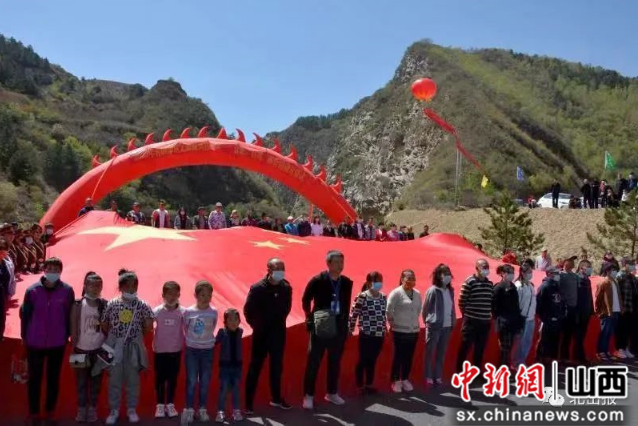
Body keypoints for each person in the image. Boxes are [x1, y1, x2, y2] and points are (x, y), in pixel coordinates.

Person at [20, 257, 75, 420]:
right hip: (35, 342)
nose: (52, 273)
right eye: (49, 269)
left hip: (57, 342)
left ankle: (50, 410)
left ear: (61, 272)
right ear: (44, 270)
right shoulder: (32, 290)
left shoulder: (67, 291)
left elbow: (70, 315)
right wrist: (24, 336)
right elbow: (25, 315)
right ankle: (34, 412)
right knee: (34, 378)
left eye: (56, 270)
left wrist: (68, 335)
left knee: (53, 378)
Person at [302, 251, 353, 409]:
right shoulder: (318, 280)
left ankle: (332, 392)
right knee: (314, 361)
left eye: (342, 262)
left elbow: (346, 304)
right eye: (337, 262)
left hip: (339, 323)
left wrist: (346, 325)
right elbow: (306, 299)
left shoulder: (346, 282)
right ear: (328, 263)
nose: (340, 265)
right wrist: (310, 317)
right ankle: (308, 395)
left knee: (335, 361)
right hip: (322, 320)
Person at [102, 270, 154, 425]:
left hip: (134, 348)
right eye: (127, 286)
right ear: (120, 287)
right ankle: (114, 411)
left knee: (133, 380)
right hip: (114, 348)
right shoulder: (112, 304)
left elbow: (148, 326)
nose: (131, 289)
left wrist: (136, 338)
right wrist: (115, 338)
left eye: (134, 285)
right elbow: (104, 323)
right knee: (114, 380)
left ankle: (132, 410)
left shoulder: (143, 305)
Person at [244, 258, 292, 413]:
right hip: (261, 334)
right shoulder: (258, 288)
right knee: (255, 366)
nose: (281, 272)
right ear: (269, 270)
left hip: (278, 333)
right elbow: (248, 310)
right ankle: (248, 403)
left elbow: (287, 308)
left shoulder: (286, 288)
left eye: (283, 268)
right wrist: (256, 325)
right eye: (278, 269)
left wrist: (277, 322)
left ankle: (276, 398)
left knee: (277, 366)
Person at [70, 272, 107, 423]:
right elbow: (72, 325)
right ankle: (81, 410)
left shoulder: (105, 305)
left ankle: (92, 409)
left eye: (98, 286)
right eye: (92, 285)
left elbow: (109, 327)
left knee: (96, 383)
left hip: (99, 351)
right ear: (85, 287)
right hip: (79, 350)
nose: (95, 288)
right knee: (80, 383)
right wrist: (73, 344)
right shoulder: (77, 304)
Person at [182, 280, 218, 424]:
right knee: (191, 380)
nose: (206, 298)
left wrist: (205, 342)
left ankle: (202, 409)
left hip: (207, 350)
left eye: (209, 295)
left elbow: (213, 327)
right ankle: (189, 409)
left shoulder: (213, 312)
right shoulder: (189, 312)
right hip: (192, 350)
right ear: (196, 295)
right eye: (203, 295)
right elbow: (186, 328)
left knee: (204, 381)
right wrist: (194, 341)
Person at [348, 271, 387, 394]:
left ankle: (369, 384)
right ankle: (359, 385)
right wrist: (350, 329)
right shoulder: (362, 296)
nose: (379, 283)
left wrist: (385, 328)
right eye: (376, 281)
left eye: (380, 281)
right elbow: (353, 314)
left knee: (373, 360)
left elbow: (383, 315)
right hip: (366, 334)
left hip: (379, 334)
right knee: (363, 359)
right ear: (369, 283)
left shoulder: (383, 297)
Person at [153, 281, 184, 419]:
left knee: (172, 379)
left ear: (179, 295)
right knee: (160, 379)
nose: (172, 297)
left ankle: (170, 404)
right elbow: (147, 325)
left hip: (175, 351)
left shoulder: (183, 312)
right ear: (163, 295)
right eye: (169, 294)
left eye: (175, 294)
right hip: (160, 351)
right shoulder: (157, 311)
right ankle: (160, 406)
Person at [456, 259, 493, 375]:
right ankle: (460, 372)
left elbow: (490, 301)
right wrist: (467, 315)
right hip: (471, 321)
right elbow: (462, 301)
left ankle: (477, 372)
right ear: (477, 268)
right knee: (465, 346)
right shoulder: (469, 282)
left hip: (485, 322)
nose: (486, 269)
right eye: (483, 267)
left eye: (487, 267)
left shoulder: (489, 284)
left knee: (480, 348)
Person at [387, 270, 422, 393]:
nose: (411, 281)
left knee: (409, 356)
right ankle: (395, 380)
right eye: (409, 278)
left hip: (413, 331)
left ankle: (405, 378)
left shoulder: (417, 294)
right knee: (399, 356)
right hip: (399, 331)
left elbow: (418, 310)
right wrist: (393, 323)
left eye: (413, 278)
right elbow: (389, 310)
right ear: (402, 279)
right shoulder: (396, 293)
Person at [423, 264, 455, 387]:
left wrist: (453, 320)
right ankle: (428, 376)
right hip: (434, 326)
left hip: (447, 326)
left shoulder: (450, 290)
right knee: (430, 352)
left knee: (441, 353)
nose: (447, 276)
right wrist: (429, 322)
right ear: (438, 275)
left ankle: (437, 375)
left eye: (449, 273)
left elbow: (452, 306)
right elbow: (425, 308)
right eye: (444, 273)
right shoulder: (433, 290)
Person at [214, 309, 244, 422]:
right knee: (224, 389)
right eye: (230, 320)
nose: (233, 322)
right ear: (225, 322)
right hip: (225, 367)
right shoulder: (222, 332)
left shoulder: (240, 331)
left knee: (236, 389)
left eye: (236, 319)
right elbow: (214, 342)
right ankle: (220, 412)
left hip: (237, 367)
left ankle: (236, 411)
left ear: (239, 321)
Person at [492, 264, 522, 368]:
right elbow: (494, 306)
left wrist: (518, 322)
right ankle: (502, 369)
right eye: (509, 273)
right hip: (503, 323)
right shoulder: (498, 288)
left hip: (513, 322)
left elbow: (516, 305)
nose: (511, 275)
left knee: (509, 347)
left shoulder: (513, 287)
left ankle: (506, 368)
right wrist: (500, 319)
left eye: (512, 273)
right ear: (502, 274)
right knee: (504, 348)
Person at [535, 266, 566, 365]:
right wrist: (543, 317)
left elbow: (560, 301)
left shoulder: (557, 285)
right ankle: (541, 358)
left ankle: (551, 358)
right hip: (547, 319)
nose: (558, 275)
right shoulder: (544, 286)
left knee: (555, 340)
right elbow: (538, 303)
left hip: (557, 318)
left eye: (558, 273)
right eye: (556, 273)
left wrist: (561, 313)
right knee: (544, 340)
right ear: (549, 274)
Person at [595, 262, 622, 361]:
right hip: (607, 312)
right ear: (607, 271)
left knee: (610, 332)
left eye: (615, 270)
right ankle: (601, 351)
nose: (615, 272)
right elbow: (598, 298)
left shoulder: (615, 282)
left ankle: (606, 351)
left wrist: (621, 308)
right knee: (604, 332)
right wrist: (599, 311)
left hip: (616, 311)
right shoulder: (603, 283)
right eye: (613, 270)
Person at [513, 263, 536, 368]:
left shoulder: (530, 285)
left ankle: (522, 360)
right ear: (522, 273)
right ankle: (516, 362)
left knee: (527, 341)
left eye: (531, 272)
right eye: (528, 272)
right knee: (520, 341)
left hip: (531, 317)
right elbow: (516, 304)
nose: (530, 274)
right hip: (522, 318)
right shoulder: (518, 286)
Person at [558, 256, 579, 364]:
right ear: (565, 264)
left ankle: (565, 357)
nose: (572, 264)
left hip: (573, 308)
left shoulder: (575, 276)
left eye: (572, 262)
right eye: (569, 262)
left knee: (569, 334)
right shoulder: (560, 275)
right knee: (562, 334)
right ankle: (559, 356)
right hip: (564, 308)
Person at [614, 257, 636, 359]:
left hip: (631, 307)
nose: (632, 266)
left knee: (628, 329)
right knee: (621, 329)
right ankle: (620, 349)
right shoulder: (620, 276)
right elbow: (617, 293)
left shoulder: (632, 277)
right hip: (623, 307)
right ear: (625, 264)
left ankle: (626, 348)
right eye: (630, 264)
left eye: (633, 264)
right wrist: (620, 306)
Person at [574, 260, 594, 364]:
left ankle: (579, 356)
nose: (590, 269)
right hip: (578, 312)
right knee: (578, 336)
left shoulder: (588, 280)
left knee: (582, 336)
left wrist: (591, 310)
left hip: (586, 312)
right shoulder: (576, 278)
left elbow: (590, 297)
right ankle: (579, 357)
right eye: (588, 266)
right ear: (582, 268)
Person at [0, 237, 16, 340]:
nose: (2, 254)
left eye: (3, 251)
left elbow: (12, 278)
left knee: (2, 317)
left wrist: (10, 293)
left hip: (3, 294)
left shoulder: (7, 263)